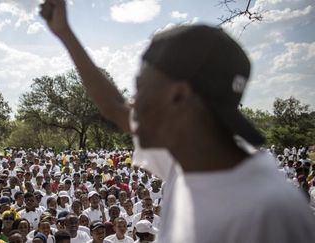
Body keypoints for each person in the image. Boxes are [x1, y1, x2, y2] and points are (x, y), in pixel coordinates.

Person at [39, 0, 315, 242]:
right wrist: (65, 33)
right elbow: (113, 107)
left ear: (179, 96)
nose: (132, 103)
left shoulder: (271, 211)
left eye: (140, 88)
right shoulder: (181, 162)